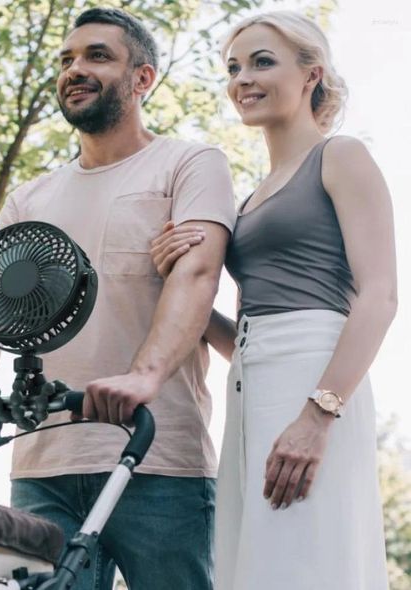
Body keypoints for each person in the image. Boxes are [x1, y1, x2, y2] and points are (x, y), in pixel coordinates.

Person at [0, 8, 237, 590]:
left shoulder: (188, 164)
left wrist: (142, 377)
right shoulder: (30, 197)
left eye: (97, 56)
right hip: (42, 464)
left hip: (157, 458)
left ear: (143, 78)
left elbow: (197, 275)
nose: (75, 69)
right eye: (67, 59)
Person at [151, 11, 396, 590]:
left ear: (312, 75)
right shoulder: (249, 196)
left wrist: (317, 417)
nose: (243, 79)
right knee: (257, 561)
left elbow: (380, 296)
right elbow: (245, 339)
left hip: (317, 381)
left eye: (262, 62)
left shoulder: (341, 156)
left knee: (307, 552)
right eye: (234, 68)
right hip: (253, 386)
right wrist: (176, 284)